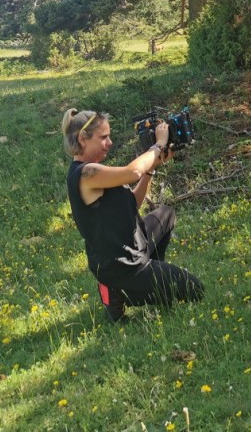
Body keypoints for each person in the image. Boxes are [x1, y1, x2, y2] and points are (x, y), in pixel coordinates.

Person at [62, 109, 204, 322]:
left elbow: (132, 203)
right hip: (122, 266)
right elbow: (132, 172)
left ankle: (151, 280)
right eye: (103, 137)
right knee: (196, 290)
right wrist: (157, 145)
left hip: (133, 246)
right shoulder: (85, 174)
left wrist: (151, 169)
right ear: (83, 138)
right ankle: (120, 292)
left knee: (165, 214)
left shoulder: (96, 170)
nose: (109, 142)